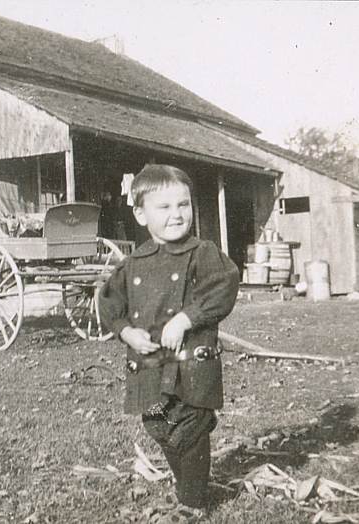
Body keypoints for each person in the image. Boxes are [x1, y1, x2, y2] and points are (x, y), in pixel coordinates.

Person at [98, 164, 239, 517]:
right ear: (141, 214)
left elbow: (224, 285)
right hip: (149, 365)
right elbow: (108, 302)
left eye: (184, 205)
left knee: (190, 429)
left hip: (191, 361)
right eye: (165, 208)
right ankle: (187, 489)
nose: (177, 215)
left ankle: (193, 503)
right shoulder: (133, 263)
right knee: (160, 425)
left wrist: (185, 318)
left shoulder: (203, 253)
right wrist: (126, 331)